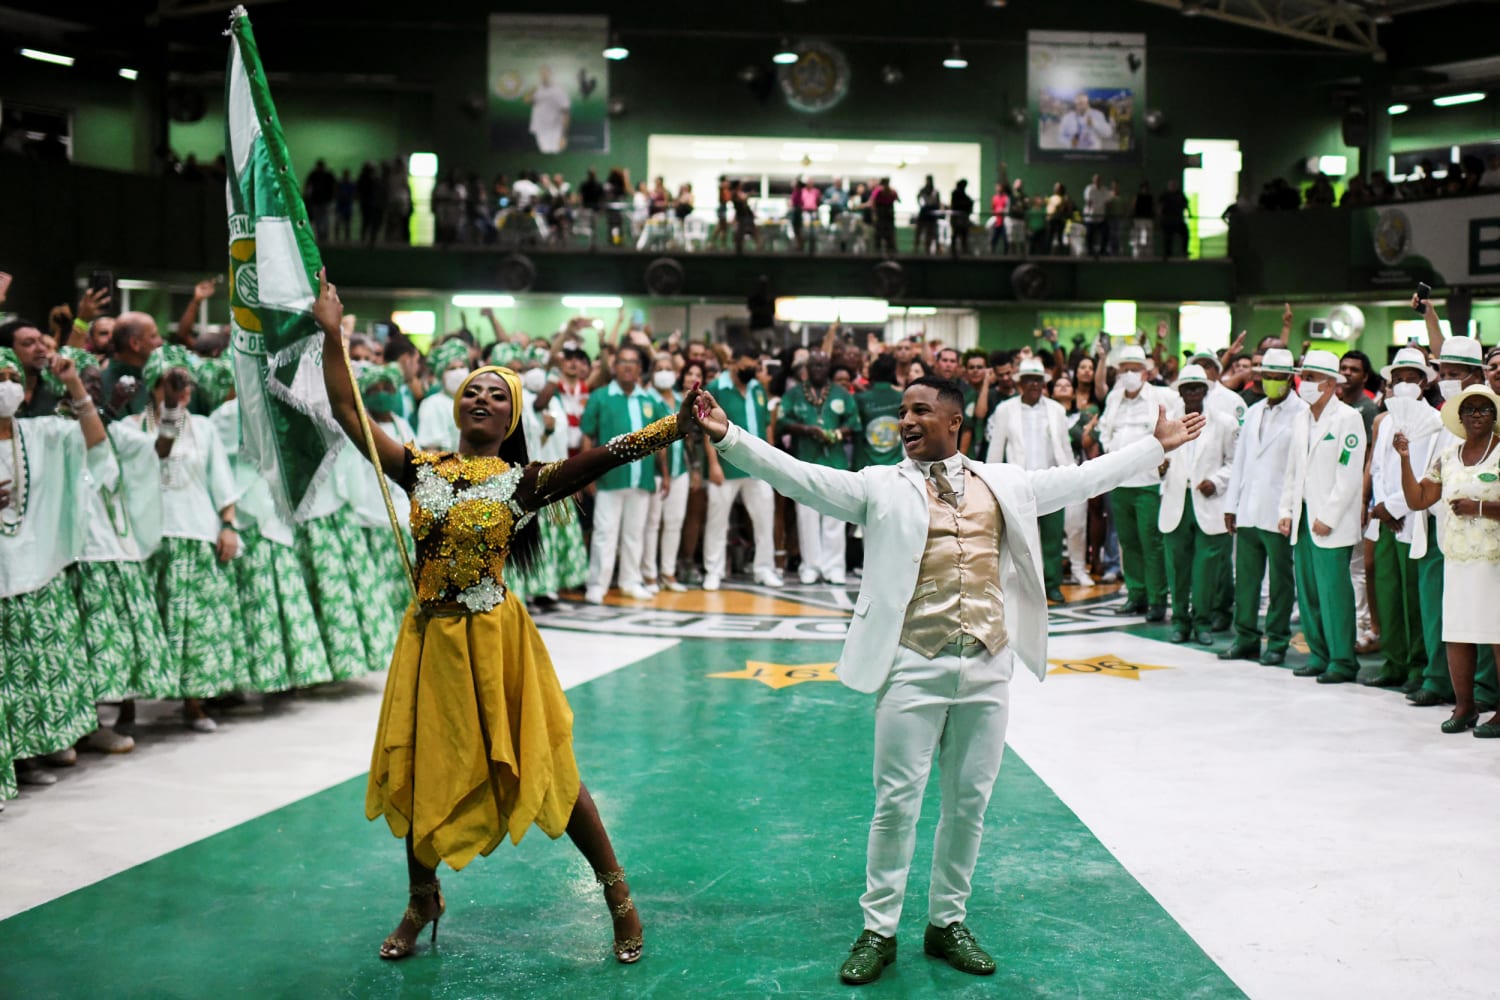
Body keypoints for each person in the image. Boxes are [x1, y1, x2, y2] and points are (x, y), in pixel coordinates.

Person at [691, 374, 1202, 985]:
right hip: (911, 664)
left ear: (955, 422)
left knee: (969, 804)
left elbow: (1084, 478)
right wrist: (731, 437)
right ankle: (878, 930)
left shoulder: (1006, 483)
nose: (905, 421)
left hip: (988, 664)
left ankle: (946, 923)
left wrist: (1156, 445)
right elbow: (802, 477)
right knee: (895, 806)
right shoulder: (879, 485)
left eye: (920, 411)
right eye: (903, 411)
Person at [315, 270, 693, 964]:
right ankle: (422, 897)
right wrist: (331, 331)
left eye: (498, 395)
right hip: (430, 641)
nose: (482, 399)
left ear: (512, 418)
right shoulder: (420, 468)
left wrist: (678, 425)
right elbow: (346, 410)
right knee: (421, 764)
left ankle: (617, 893)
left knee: (550, 767)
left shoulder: (524, 481)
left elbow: (605, 455)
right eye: (473, 392)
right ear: (459, 410)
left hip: (496, 642)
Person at [0, 348, 112, 798]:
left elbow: (94, 444)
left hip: (37, 572)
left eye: (10, 375)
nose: (5, 384)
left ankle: (30, 756)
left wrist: (75, 386)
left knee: (35, 672)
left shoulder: (42, 433)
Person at [130, 345, 250, 730]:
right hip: (150, 537)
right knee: (150, 622)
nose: (183, 389)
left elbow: (221, 482)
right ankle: (129, 708)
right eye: (173, 381)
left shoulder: (206, 427)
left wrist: (228, 525)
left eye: (186, 382)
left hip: (196, 533)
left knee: (196, 625)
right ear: (154, 384)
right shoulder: (133, 427)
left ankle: (194, 703)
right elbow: (154, 458)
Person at [63, 349, 172, 748]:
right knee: (77, 647)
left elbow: (161, 449)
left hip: (108, 546)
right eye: (82, 380)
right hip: (66, 555)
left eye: (95, 381)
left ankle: (100, 721)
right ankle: (78, 728)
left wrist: (172, 409)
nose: (91, 387)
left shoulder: (116, 428)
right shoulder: (49, 428)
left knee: (111, 640)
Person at [1395, 385, 1500, 736]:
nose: (1476, 415)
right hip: (1457, 558)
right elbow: (1419, 498)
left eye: (1484, 409)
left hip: (1494, 560)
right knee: (1457, 633)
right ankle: (1465, 706)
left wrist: (1480, 507)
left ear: (1495, 416)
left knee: (1497, 634)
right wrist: (1405, 459)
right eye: (1469, 409)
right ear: (1459, 417)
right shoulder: (1447, 456)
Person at [1276, 350, 1367, 684]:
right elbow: (1292, 470)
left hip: (1331, 522)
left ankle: (1343, 661)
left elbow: (1349, 473)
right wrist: (1286, 510)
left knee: (1334, 595)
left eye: (1313, 378)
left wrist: (1329, 515)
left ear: (1330, 384)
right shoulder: (1301, 419)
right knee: (1309, 592)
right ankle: (1318, 655)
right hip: (1302, 519)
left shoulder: (1347, 418)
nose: (1306, 383)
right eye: (1305, 377)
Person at [1220, 348, 1307, 665]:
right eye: (1266, 376)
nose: (1270, 381)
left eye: (1276, 377)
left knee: (1281, 583)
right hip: (1248, 509)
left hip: (1279, 511)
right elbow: (1240, 461)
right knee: (1245, 579)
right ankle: (1245, 638)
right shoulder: (1254, 411)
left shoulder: (1302, 413)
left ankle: (1278, 641)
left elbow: (1299, 469)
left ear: (1289, 378)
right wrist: (1231, 505)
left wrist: (1291, 511)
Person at [1363, 348, 1439, 690]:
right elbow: (1378, 469)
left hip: (1412, 517)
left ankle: (1418, 666)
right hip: (1384, 517)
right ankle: (1393, 661)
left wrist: (1394, 507)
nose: (1405, 384)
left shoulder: (1434, 421)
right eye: (1399, 379)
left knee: (1413, 597)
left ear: (1424, 383)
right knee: (1388, 592)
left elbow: (1427, 473)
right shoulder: (1387, 420)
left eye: (1412, 378)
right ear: (1389, 383)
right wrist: (1380, 506)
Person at [1157, 365, 1238, 645]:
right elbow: (1152, 459)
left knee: (1206, 570)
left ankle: (1202, 622)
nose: (1192, 393)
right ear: (1179, 392)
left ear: (1206, 390)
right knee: (1177, 569)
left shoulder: (1225, 422)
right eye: (1187, 388)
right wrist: (1160, 467)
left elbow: (1234, 462)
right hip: (1176, 502)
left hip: (1208, 501)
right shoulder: (1166, 423)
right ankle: (1180, 622)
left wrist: (1217, 480)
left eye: (1197, 387)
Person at [581, 344, 666, 603]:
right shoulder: (600, 396)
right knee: (605, 532)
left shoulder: (650, 400)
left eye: (633, 362)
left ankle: (631, 580)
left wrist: (665, 475)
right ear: (614, 367)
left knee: (634, 533)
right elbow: (587, 437)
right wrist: (588, 475)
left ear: (640, 369)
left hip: (642, 478)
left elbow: (662, 440)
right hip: (609, 478)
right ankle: (598, 584)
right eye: (623, 362)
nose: (628, 366)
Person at [986, 359, 1075, 603]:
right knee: (1020, 539)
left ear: (1044, 384)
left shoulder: (1056, 409)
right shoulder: (1006, 409)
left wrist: (1071, 478)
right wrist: (991, 480)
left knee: (1052, 538)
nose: (1034, 384)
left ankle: (1052, 584)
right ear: (1020, 384)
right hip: (1019, 483)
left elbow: (1064, 447)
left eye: (1038, 380)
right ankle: (1023, 587)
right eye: (1028, 380)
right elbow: (996, 447)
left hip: (1052, 480)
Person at [1098, 345, 1175, 619]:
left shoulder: (1162, 397)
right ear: (1118, 372)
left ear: (1146, 372)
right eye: (1124, 369)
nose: (1129, 374)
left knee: (1151, 543)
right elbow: (1105, 431)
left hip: (1149, 482)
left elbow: (1173, 433)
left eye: (1134, 369)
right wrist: (1111, 454)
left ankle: (1157, 600)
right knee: (1128, 543)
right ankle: (1136, 595)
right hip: (1120, 482)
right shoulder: (1114, 398)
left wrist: (1166, 461)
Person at [780, 352, 860, 585]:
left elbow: (853, 422)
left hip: (835, 462)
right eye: (813, 365)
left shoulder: (841, 394)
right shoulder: (794, 394)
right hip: (805, 462)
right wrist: (806, 430)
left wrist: (836, 434)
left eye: (822, 365)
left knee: (835, 514)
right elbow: (783, 421)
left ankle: (834, 567)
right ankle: (810, 566)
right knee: (807, 515)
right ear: (806, 368)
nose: (818, 369)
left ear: (828, 368)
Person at [703, 350, 780, 591]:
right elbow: (707, 427)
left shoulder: (757, 388)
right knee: (717, 520)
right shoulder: (716, 387)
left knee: (764, 517)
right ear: (733, 364)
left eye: (754, 365)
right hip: (725, 465)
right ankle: (713, 571)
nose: (751, 369)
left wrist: (770, 458)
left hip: (757, 465)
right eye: (747, 364)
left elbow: (767, 425)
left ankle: (764, 568)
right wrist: (713, 464)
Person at [642, 355, 696, 593]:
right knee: (652, 523)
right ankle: (649, 574)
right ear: (652, 373)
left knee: (674, 522)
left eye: (668, 368)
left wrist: (693, 468)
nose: (664, 372)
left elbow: (689, 438)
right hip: (655, 472)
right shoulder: (646, 398)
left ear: (676, 373)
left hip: (680, 469)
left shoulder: (679, 399)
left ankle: (668, 572)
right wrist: (663, 472)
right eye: (659, 368)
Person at [415, 339, 471, 452]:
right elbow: (431, 451)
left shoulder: (472, 402)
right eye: (452, 368)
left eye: (462, 366)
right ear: (441, 375)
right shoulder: (433, 404)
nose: (459, 372)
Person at [853, 355, 904, 471]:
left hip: (867, 465)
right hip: (895, 465)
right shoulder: (902, 397)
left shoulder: (860, 398)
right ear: (893, 372)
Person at [526, 66, 571, 154]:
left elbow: (566, 113)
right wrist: (533, 89)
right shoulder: (537, 90)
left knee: (555, 154)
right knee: (544, 153)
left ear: (551, 75)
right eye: (542, 74)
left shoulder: (559, 91)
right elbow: (528, 101)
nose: (544, 76)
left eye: (546, 73)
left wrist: (564, 135)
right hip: (540, 128)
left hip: (555, 129)